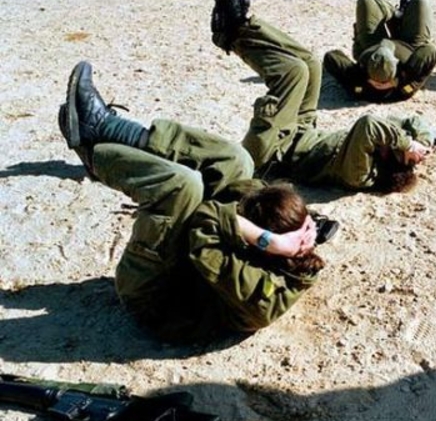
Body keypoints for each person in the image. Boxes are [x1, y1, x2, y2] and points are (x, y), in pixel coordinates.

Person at [59, 61, 330, 343]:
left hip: (157, 293)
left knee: (182, 186)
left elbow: (205, 225)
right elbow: (250, 195)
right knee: (237, 161)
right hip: (196, 266)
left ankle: (93, 157)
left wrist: (268, 239)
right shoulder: (292, 254)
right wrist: (281, 230)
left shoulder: (259, 294)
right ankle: (104, 127)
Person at [211, 0, 436, 193]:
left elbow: (369, 125)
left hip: (273, 150)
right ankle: (245, 24)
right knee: (311, 63)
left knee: (294, 72)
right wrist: (424, 141)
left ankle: (232, 35)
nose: (394, 146)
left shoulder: (360, 174)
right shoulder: (384, 149)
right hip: (301, 128)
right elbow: (413, 122)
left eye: (396, 151)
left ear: (390, 162)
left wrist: (407, 144)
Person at [322, 0, 436, 102]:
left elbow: (331, 57)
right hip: (409, 44)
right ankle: (399, 20)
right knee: (419, 2)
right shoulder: (404, 88)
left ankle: (393, 14)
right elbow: (429, 51)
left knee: (367, 0)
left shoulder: (359, 83)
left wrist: (361, 77)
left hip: (371, 44)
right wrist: (401, 79)